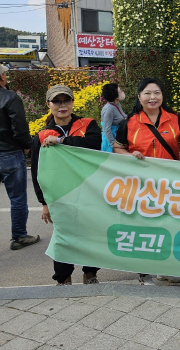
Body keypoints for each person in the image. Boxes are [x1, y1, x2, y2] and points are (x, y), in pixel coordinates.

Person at [114, 77, 180, 284]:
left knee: (172, 223)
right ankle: (153, 265)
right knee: (148, 225)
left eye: (157, 93)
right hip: (143, 185)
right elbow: (118, 148)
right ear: (139, 97)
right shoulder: (129, 123)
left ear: (162, 96)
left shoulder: (175, 119)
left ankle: (171, 266)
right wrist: (129, 156)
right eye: (148, 93)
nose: (153, 97)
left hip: (172, 183)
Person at [31, 85, 102, 284]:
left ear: (72, 102)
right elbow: (38, 171)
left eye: (66, 100)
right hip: (60, 194)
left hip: (89, 190)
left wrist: (61, 140)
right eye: (57, 101)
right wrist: (44, 202)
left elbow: (93, 144)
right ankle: (63, 278)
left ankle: (90, 273)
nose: (62, 105)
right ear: (48, 104)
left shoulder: (88, 125)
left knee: (90, 233)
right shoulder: (42, 135)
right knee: (63, 235)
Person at [0, 64, 40, 250]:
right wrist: (26, 146)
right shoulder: (10, 98)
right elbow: (19, 126)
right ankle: (19, 236)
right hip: (10, 153)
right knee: (17, 198)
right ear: (2, 77)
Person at [100, 83, 127, 153]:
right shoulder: (109, 109)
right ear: (115, 94)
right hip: (110, 143)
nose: (122, 92)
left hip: (119, 138)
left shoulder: (117, 104)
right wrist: (114, 146)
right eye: (120, 90)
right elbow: (107, 129)